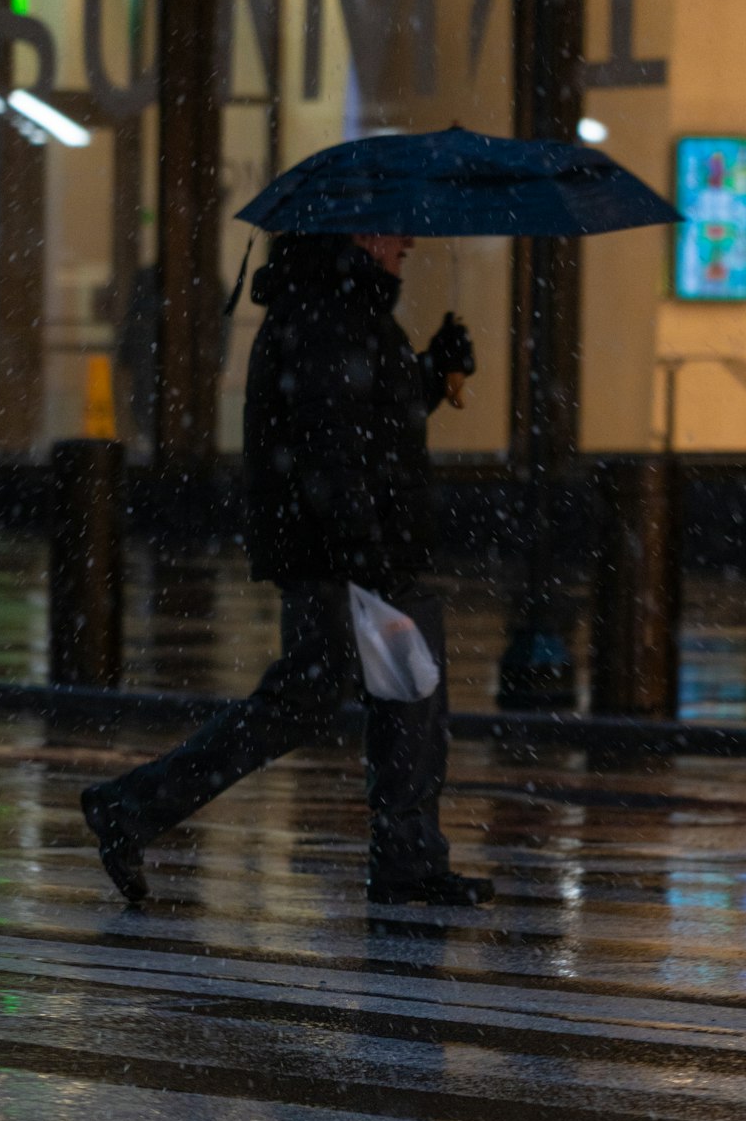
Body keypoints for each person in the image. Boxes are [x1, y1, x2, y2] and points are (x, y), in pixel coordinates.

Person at [81, 231, 493, 908]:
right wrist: (364, 552)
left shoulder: (336, 307)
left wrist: (430, 368)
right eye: (394, 229)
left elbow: (369, 420)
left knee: (373, 700)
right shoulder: (330, 314)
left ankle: (407, 854)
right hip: (355, 556)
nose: (408, 242)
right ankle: (135, 806)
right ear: (359, 236)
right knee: (367, 700)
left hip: (352, 552)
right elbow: (334, 443)